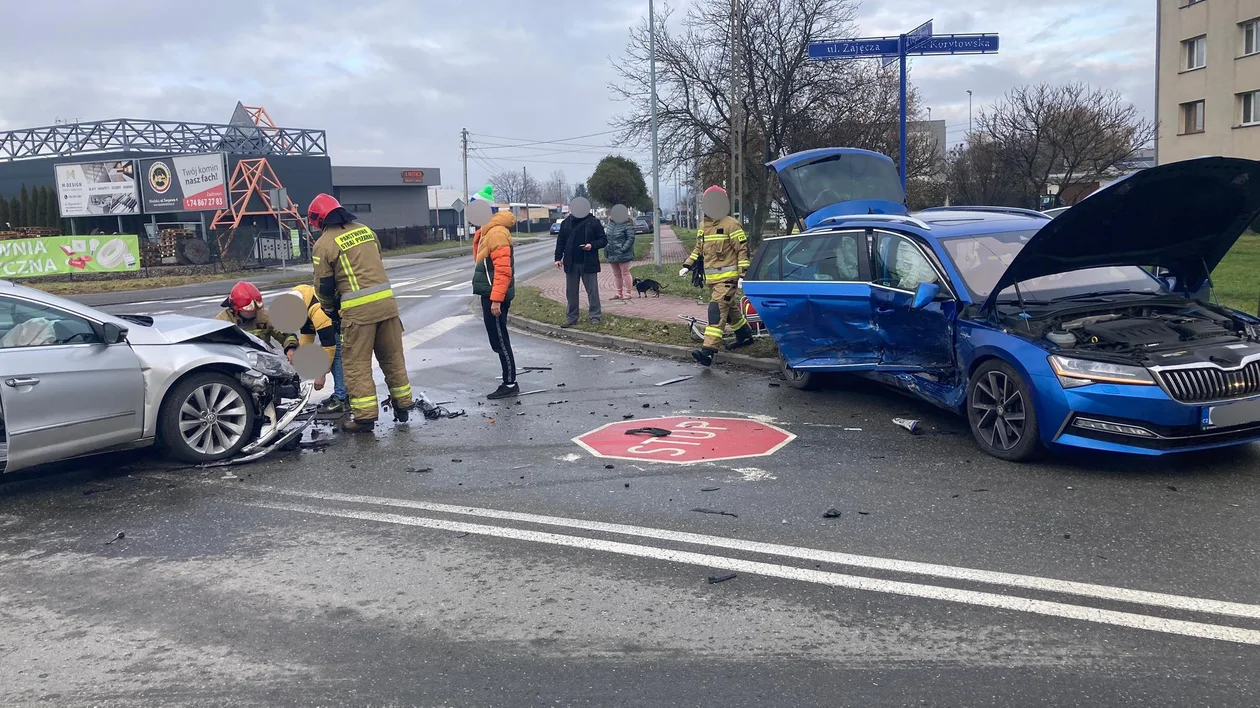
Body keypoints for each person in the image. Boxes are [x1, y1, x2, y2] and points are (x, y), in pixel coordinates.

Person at [308, 194, 415, 433]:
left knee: (357, 364)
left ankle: (365, 418)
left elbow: (324, 286)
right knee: (393, 358)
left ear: (317, 220)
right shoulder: (366, 230)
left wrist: (328, 309)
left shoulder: (324, 244)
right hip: (388, 305)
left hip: (358, 313)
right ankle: (403, 406)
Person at [681, 186, 754, 367]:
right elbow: (699, 249)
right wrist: (687, 265)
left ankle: (708, 352)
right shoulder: (703, 227)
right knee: (728, 310)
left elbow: (742, 251)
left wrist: (743, 275)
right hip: (712, 281)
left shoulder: (732, 224)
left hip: (728, 280)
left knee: (716, 311)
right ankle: (744, 336)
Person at [473, 207, 519, 400]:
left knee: (500, 340)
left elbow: (503, 271)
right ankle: (508, 380)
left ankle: (510, 383)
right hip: (491, 293)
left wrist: (496, 301)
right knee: (497, 339)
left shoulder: (497, 234)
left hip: (495, 296)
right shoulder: (489, 231)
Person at [284, 283, 349, 415]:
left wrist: (321, 375)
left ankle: (341, 398)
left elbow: (329, 346)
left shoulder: (317, 311)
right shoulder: (302, 301)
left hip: (343, 321)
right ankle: (341, 394)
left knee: (336, 355)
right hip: (334, 322)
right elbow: (307, 334)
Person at [554, 200, 607, 327]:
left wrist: (591, 245)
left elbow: (603, 240)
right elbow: (561, 240)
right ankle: (571, 317)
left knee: (592, 291)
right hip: (571, 262)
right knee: (571, 292)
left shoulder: (593, 222)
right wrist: (557, 258)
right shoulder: (566, 223)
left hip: (588, 262)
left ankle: (595, 316)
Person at [217, 281, 298, 356]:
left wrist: (291, 348)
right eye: (248, 311)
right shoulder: (222, 321)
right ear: (235, 308)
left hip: (264, 359)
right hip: (237, 361)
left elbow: (287, 335)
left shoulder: (266, 317)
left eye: (256, 310)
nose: (253, 313)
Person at [603, 213, 637, 300]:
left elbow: (631, 238)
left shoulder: (627, 224)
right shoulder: (610, 224)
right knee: (616, 274)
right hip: (612, 252)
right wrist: (607, 248)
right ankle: (619, 293)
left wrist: (623, 249)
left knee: (625, 272)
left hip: (623, 253)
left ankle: (628, 293)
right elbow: (607, 237)